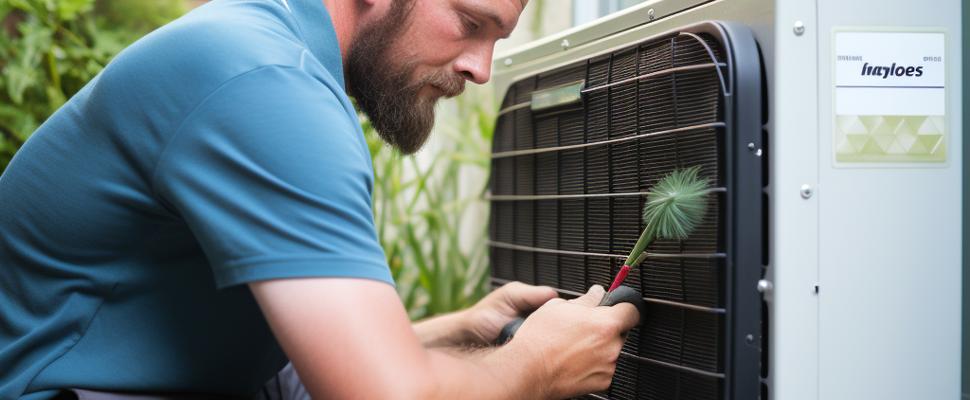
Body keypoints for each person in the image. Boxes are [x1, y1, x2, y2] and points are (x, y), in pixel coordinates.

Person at [0, 0, 640, 399]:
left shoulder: (269, 51)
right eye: (471, 23)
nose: (481, 68)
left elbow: (284, 361)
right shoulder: (265, 83)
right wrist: (535, 365)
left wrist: (454, 331)